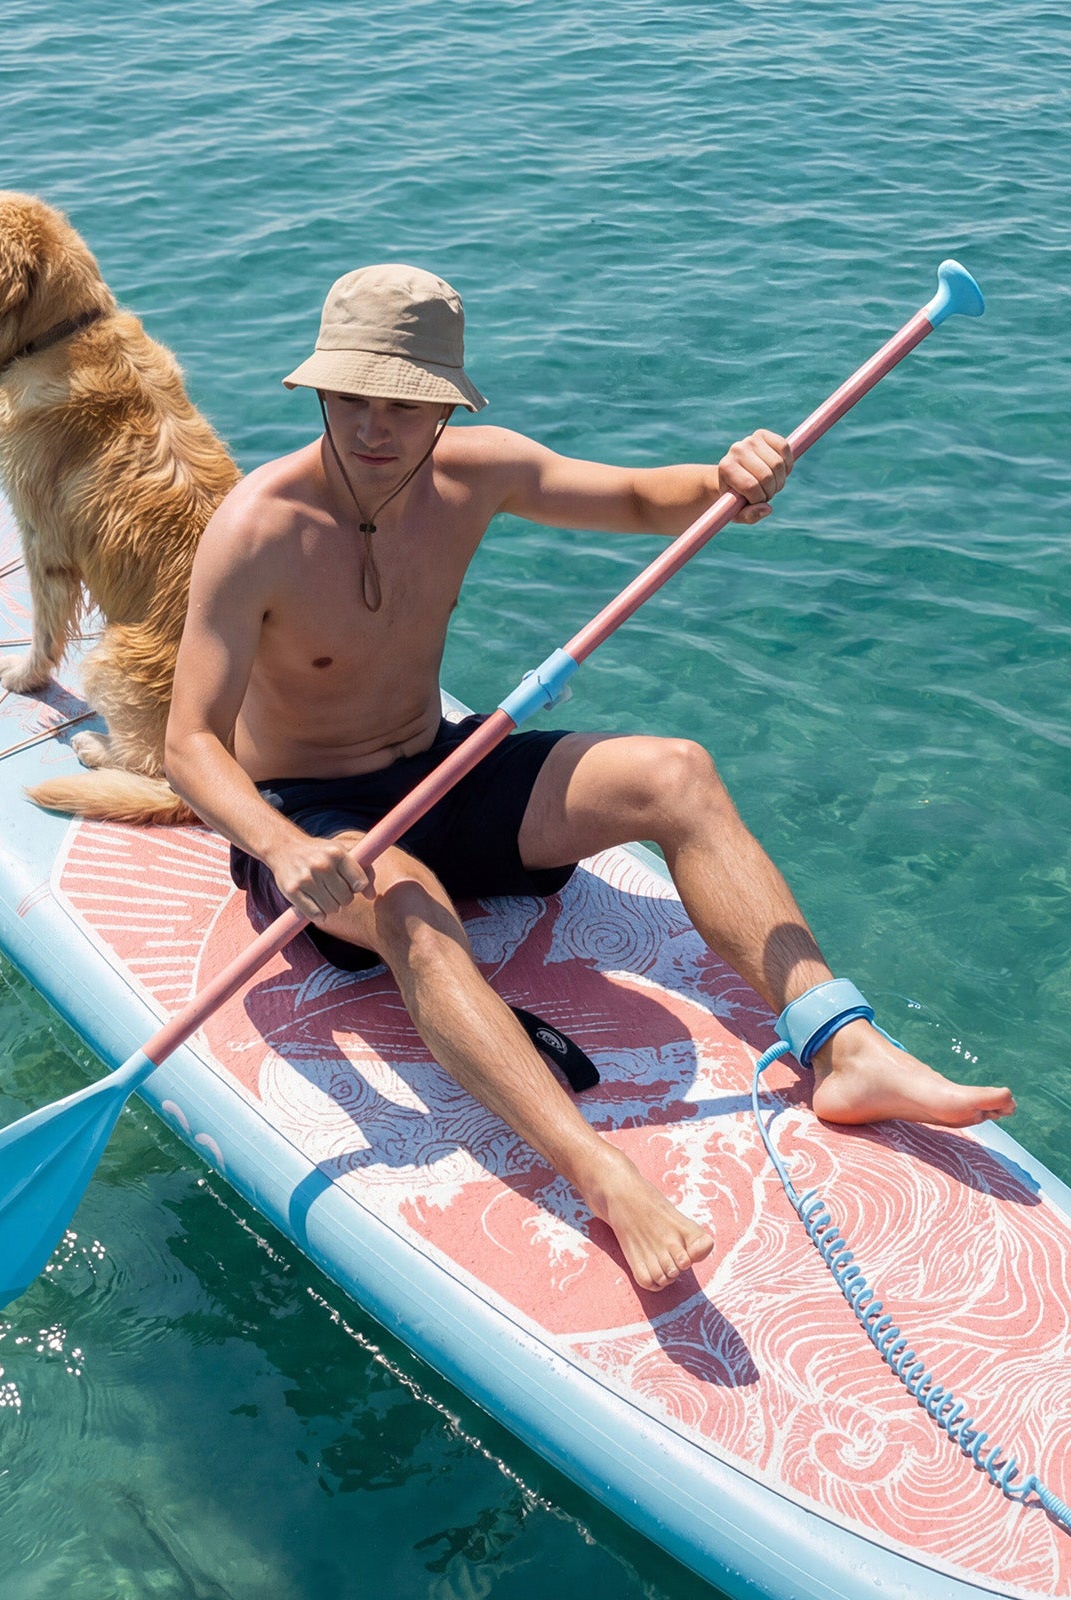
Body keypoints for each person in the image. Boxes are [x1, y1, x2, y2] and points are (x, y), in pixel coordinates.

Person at [163, 264, 1015, 1294]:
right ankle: (599, 1171)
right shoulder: (257, 527)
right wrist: (283, 847)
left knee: (676, 773)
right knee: (416, 909)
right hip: (318, 818)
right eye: (352, 400)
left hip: (442, 768)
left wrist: (728, 478)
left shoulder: (476, 474)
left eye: (403, 404)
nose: (373, 429)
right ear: (319, 393)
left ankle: (841, 1047)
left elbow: (636, 497)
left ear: (446, 403)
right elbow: (190, 745)